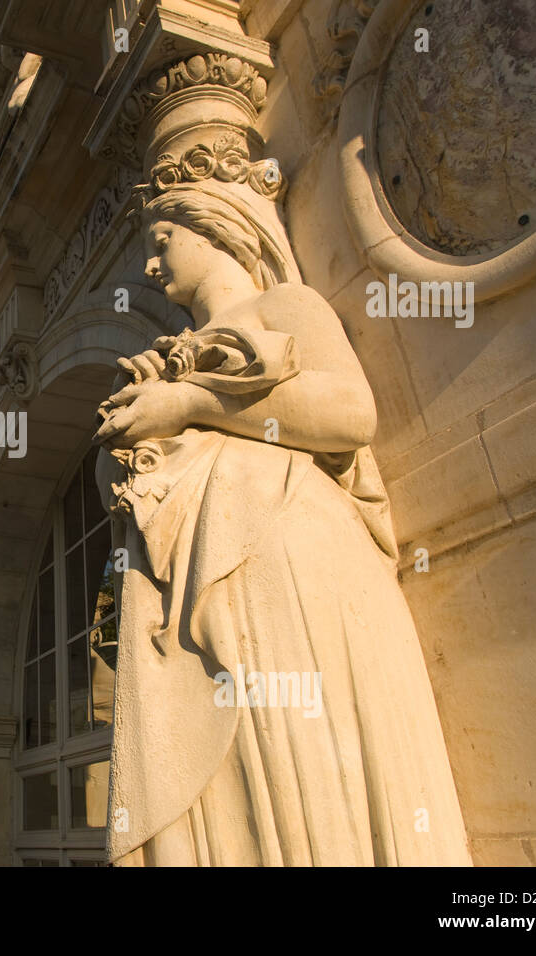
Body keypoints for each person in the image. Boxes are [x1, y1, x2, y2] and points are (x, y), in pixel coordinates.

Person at [93, 159, 472, 865]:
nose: (149, 264)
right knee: (232, 782)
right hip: (197, 581)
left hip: (286, 548)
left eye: (163, 237)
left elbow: (350, 415)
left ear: (216, 228)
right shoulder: (166, 357)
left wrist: (192, 402)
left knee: (306, 751)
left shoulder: (286, 307)